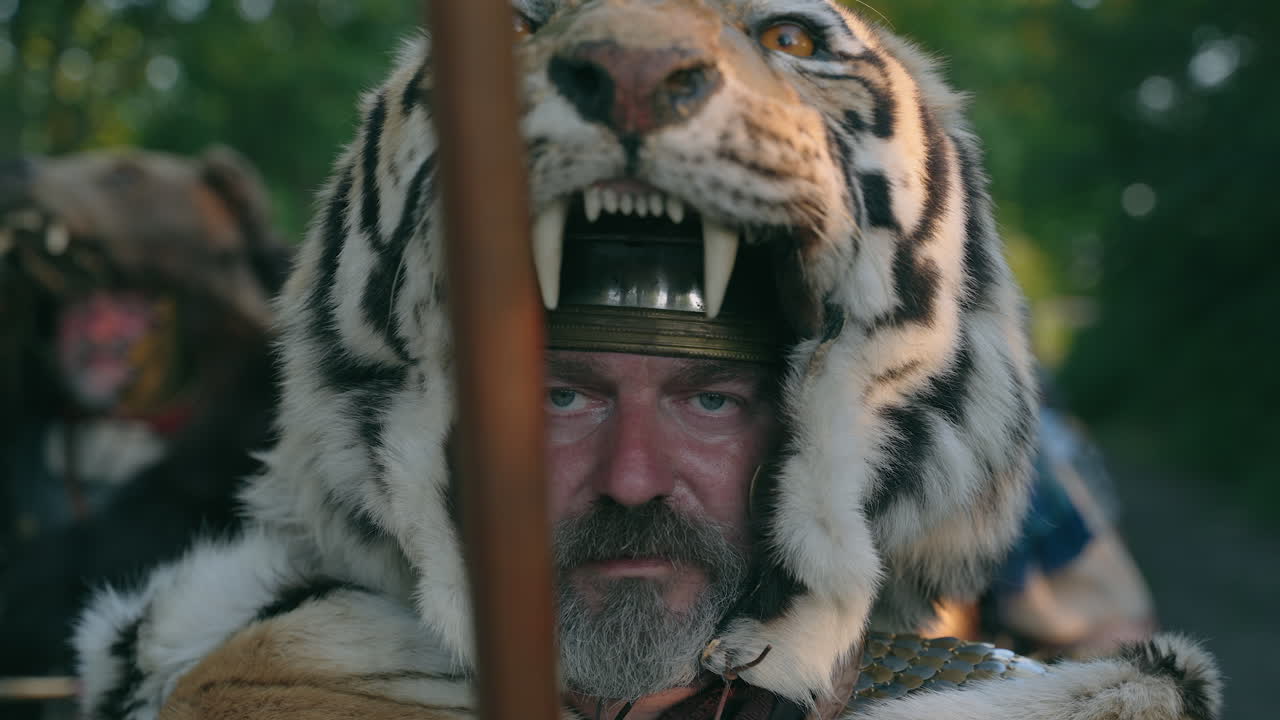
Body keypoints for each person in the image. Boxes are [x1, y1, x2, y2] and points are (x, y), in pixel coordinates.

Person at [74, 3, 1220, 720]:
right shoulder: (242, 688)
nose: (632, 476)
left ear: (814, 435)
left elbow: (1092, 624)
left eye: (711, 399)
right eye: (559, 397)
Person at [0, 147, 287, 690]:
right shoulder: (20, 450)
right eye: (83, 303)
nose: (103, 330)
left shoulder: (257, 476)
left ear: (192, 318)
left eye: (129, 305)